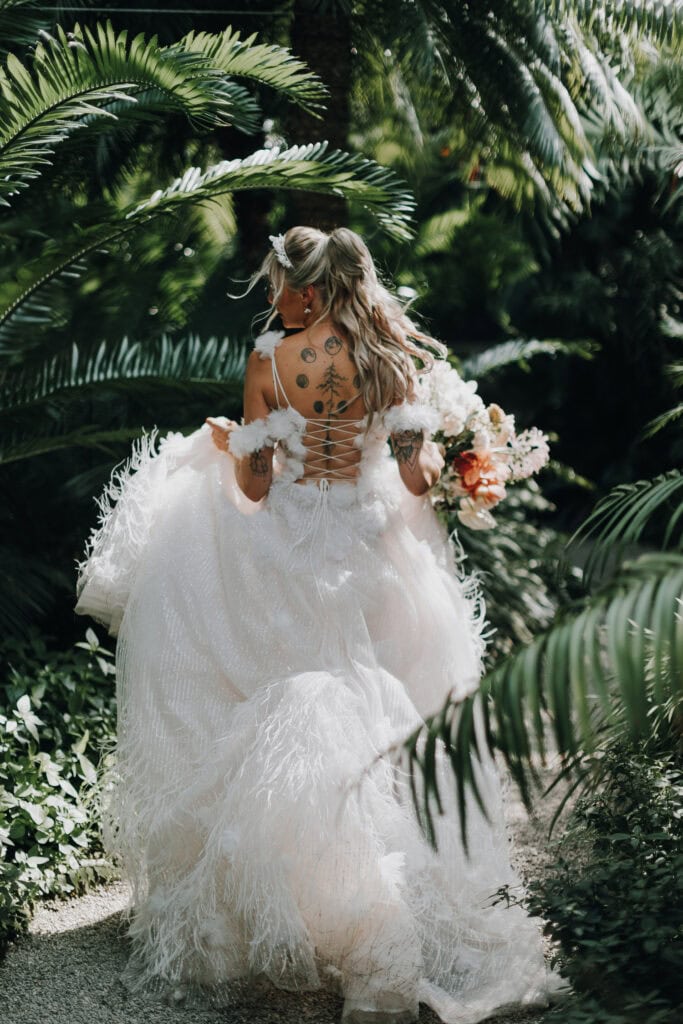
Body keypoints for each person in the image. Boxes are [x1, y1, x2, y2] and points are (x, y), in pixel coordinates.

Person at [75, 226, 561, 1024]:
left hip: (289, 554)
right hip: (369, 549)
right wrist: (458, 463)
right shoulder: (388, 363)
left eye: (277, 285)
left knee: (266, 690)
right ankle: (382, 898)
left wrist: (234, 446)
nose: (271, 298)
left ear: (307, 291)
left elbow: (257, 488)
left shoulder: (271, 358)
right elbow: (413, 474)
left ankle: (306, 899)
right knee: (380, 708)